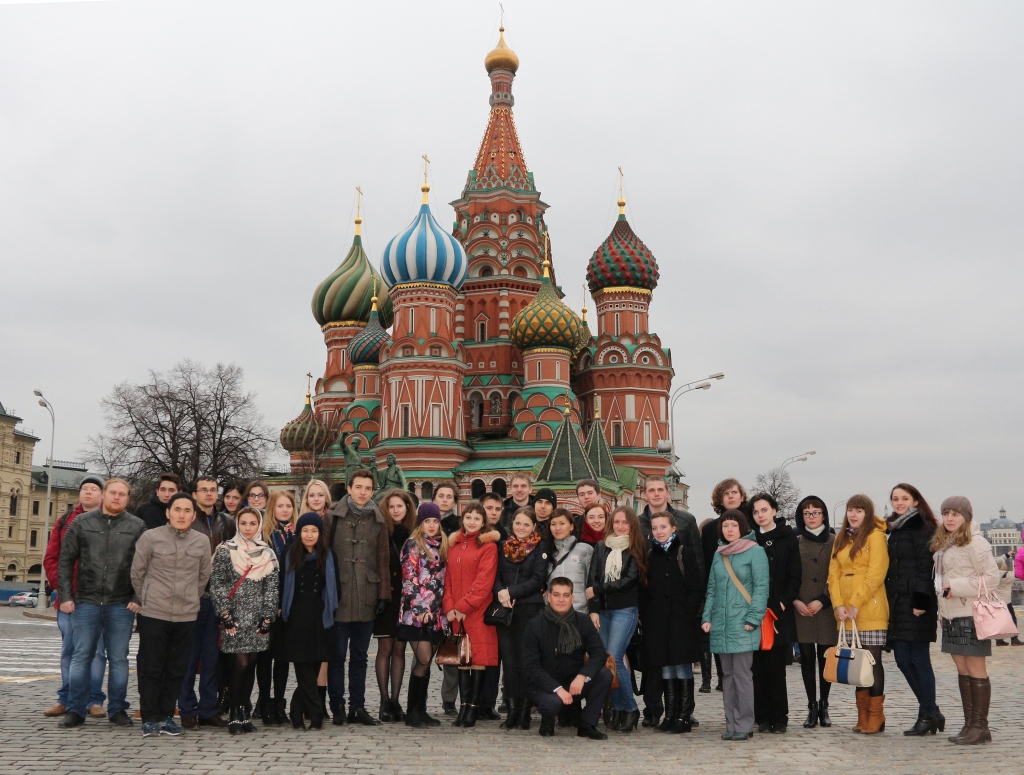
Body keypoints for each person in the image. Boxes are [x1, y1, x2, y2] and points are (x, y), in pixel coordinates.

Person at [57, 478, 146, 728]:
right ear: (104, 494)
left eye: (123, 494)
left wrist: (138, 596)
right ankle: (75, 709)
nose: (117, 497)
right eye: (113, 493)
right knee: (81, 656)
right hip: (86, 601)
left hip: (121, 603)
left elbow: (146, 564)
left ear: (128, 498)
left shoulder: (137, 526)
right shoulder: (81, 523)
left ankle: (117, 709)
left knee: (119, 659)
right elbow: (65, 560)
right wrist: (65, 596)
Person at [130, 493, 213, 738]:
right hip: (154, 613)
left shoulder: (201, 541)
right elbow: (137, 573)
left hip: (186, 615)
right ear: (168, 512)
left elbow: (203, 577)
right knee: (152, 668)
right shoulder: (151, 537)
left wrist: (190, 597)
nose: (182, 515)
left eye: (187, 510)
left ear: (194, 515)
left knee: (177, 669)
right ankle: (150, 717)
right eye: (177, 509)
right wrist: (148, 597)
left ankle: (167, 716)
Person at [933, 496, 1001, 745]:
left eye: (955, 514)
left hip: (972, 613)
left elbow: (991, 578)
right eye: (946, 513)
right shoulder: (945, 544)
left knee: (976, 669)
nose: (950, 518)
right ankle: (969, 723)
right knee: (962, 669)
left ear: (966, 517)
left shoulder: (977, 543)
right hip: (951, 614)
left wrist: (957, 586)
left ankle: (981, 727)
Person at [637, 475, 705, 726]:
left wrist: (691, 612)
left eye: (663, 528)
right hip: (657, 619)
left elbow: (696, 579)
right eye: (655, 529)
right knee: (664, 665)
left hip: (681, 616)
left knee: (681, 665)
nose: (658, 531)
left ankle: (684, 713)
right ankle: (669, 713)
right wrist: (645, 613)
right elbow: (643, 584)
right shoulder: (648, 551)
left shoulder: (683, 544)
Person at [324, 468, 390, 726]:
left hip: (367, 595)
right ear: (349, 488)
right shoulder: (332, 517)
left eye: (368, 488)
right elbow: (324, 558)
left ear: (373, 491)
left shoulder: (378, 519)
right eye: (358, 487)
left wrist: (383, 595)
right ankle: (338, 706)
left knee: (360, 657)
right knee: (337, 655)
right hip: (339, 596)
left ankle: (358, 707)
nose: (363, 492)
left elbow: (382, 560)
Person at [210, 507, 280, 735]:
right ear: (237, 525)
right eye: (243, 523)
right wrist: (225, 614)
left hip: (258, 619)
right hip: (235, 618)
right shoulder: (225, 550)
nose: (248, 528)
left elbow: (271, 588)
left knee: (251, 664)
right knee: (239, 664)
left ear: (259, 525)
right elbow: (217, 583)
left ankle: (243, 712)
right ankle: (233, 714)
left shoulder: (267, 553)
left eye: (252, 523)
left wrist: (268, 617)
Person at [43, 474, 108, 719]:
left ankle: (94, 700)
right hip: (68, 596)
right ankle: (67, 698)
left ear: (102, 495)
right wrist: (60, 586)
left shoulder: (108, 520)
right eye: (85, 489)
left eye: (94, 489)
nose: (88, 492)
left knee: (97, 651)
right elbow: (52, 558)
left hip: (98, 597)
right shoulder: (64, 521)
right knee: (69, 649)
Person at [702, 509, 769, 742]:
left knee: (742, 676)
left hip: (743, 623)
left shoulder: (756, 552)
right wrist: (706, 617)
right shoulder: (719, 554)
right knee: (727, 677)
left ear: (742, 528)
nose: (729, 529)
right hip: (721, 623)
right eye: (725, 525)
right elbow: (712, 589)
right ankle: (731, 723)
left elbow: (761, 588)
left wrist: (754, 618)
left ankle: (745, 723)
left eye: (733, 525)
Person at [828, 494, 889, 735]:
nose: (853, 514)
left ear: (868, 513)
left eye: (859, 510)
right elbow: (833, 575)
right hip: (846, 611)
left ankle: (876, 715)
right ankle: (862, 714)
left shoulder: (875, 537)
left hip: (869, 607)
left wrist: (855, 602)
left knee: (872, 662)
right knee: (856, 663)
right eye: (851, 510)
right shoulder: (841, 538)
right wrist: (837, 604)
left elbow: (876, 573)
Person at [885, 483, 943, 736]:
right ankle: (931, 710)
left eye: (904, 498)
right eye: (895, 499)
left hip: (917, 602)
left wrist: (921, 601)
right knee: (902, 660)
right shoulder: (896, 528)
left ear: (916, 501)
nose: (899, 503)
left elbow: (925, 566)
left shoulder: (923, 527)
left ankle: (928, 714)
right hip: (898, 601)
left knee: (919, 661)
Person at [522, 577, 612, 740]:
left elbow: (598, 653)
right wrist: (557, 689)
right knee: (552, 703)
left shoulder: (583, 621)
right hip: (545, 685)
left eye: (565, 595)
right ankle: (547, 720)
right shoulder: (534, 625)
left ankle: (587, 724)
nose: (561, 600)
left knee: (604, 675)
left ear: (572, 598)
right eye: (556, 595)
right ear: (548, 597)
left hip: (574, 681)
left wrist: (582, 675)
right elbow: (531, 666)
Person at [178, 476, 235, 730]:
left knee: (212, 658)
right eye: (204, 490)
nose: (210, 494)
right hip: (191, 597)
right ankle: (187, 708)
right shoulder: (189, 519)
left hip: (219, 597)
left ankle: (209, 708)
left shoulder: (227, 521)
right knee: (189, 658)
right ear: (194, 493)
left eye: (213, 490)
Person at [587, 506, 646, 733]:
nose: (620, 526)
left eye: (625, 522)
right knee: (606, 661)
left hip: (624, 610)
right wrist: (593, 609)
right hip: (602, 612)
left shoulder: (636, 548)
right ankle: (619, 708)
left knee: (616, 658)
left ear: (632, 525)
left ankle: (631, 708)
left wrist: (598, 590)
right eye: (617, 522)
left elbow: (629, 581)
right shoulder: (602, 547)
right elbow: (591, 579)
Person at [443, 501, 500, 727]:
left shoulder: (488, 546)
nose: (472, 521)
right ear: (462, 519)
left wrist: (463, 607)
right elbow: (447, 580)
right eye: (469, 517)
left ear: (483, 522)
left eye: (477, 518)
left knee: (478, 659)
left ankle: (473, 709)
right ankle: (463, 706)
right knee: (463, 660)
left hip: (476, 611)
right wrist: (449, 607)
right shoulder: (454, 545)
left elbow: (484, 581)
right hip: (457, 612)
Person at [281, 513, 339, 730]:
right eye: (305, 530)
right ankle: (316, 713)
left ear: (319, 533)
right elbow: (282, 586)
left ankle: (296, 711)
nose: (309, 535)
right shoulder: (289, 555)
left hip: (321, 618)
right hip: (296, 619)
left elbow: (336, 589)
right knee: (303, 667)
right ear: (299, 533)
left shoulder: (328, 556)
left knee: (314, 668)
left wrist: (329, 610)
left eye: (314, 530)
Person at [750, 493, 801, 734]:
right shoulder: (749, 539)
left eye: (764, 510)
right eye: (756, 512)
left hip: (778, 611)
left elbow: (795, 573)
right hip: (753, 610)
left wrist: (783, 601)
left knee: (776, 668)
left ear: (774, 511)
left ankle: (780, 717)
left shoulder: (788, 536)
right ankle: (761, 716)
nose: (760, 515)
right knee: (757, 667)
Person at [494, 506, 548, 730]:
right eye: (518, 523)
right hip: (505, 608)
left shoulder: (540, 547)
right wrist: (501, 593)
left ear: (534, 526)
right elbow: (495, 574)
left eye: (527, 524)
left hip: (528, 609)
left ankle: (525, 710)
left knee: (526, 662)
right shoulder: (503, 546)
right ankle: (512, 709)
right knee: (509, 662)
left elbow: (538, 579)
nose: (522, 528)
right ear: (512, 524)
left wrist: (513, 592)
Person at [398, 502, 448, 728]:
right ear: (420, 522)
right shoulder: (412, 545)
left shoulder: (443, 545)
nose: (431, 525)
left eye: (435, 521)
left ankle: (421, 710)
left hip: (437, 615)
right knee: (424, 658)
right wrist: (420, 610)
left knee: (426, 663)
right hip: (416, 615)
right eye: (427, 521)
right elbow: (409, 581)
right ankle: (411, 711)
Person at [792, 496, 836, 729]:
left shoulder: (835, 541)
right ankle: (811, 706)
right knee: (807, 657)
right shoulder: (795, 541)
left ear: (824, 515)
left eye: (815, 512)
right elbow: (788, 575)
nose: (811, 517)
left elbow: (839, 576)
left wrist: (823, 600)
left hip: (826, 607)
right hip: (802, 607)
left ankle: (825, 705)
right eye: (807, 513)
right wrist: (796, 600)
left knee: (825, 658)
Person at [373, 489, 416, 722]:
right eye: (392, 507)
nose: (396, 510)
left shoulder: (413, 533)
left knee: (400, 650)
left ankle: (396, 700)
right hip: (386, 599)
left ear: (407, 508)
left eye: (400, 506)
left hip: (408, 599)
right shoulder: (380, 532)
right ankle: (383, 700)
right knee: (385, 649)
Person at [255, 490, 297, 726]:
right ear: (273, 509)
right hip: (265, 604)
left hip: (287, 604)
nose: (284, 510)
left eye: (288, 506)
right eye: (280, 506)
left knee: (281, 658)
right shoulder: (265, 536)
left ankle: (279, 702)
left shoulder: (296, 535)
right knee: (264, 656)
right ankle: (264, 702)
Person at [298, 478, 332, 714]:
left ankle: (320, 701)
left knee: (323, 656)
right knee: (304, 656)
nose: (316, 499)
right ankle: (310, 703)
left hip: (324, 594)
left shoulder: (332, 522)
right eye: (312, 495)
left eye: (320, 495)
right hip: (303, 599)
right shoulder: (298, 524)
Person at [478, 490, 508, 717]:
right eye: (490, 508)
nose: (494, 512)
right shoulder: (475, 534)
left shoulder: (505, 534)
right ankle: (474, 702)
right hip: (477, 600)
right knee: (476, 653)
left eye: (498, 509)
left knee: (493, 654)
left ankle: (487, 703)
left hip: (497, 601)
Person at [434, 480, 462, 713]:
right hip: (427, 596)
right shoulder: (424, 525)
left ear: (455, 501)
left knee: (453, 645)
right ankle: (417, 700)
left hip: (453, 592)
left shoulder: (459, 526)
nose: (444, 500)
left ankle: (449, 699)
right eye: (440, 496)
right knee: (424, 650)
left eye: (449, 496)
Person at [546, 509, 593, 613]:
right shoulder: (546, 551)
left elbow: (592, 582)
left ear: (571, 526)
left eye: (562, 523)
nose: (557, 528)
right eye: (553, 524)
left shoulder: (585, 549)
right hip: (552, 613)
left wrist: (593, 610)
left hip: (579, 611)